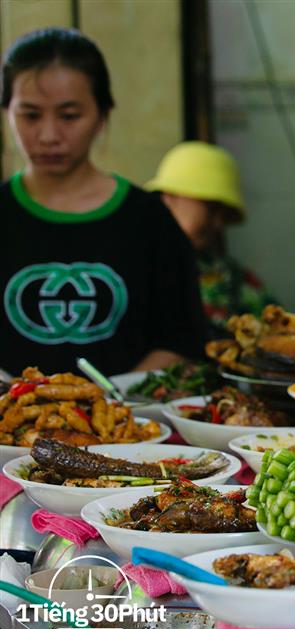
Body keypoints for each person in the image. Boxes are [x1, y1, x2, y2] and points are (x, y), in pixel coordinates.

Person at [0, 28, 205, 375]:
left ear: (102, 115)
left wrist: (113, 403)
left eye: (69, 116)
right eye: (30, 115)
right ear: (7, 112)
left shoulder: (148, 220)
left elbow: (180, 340)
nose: (49, 135)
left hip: (130, 425)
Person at [146, 141, 277, 338]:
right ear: (170, 198)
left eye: (223, 214)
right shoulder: (133, 269)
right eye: (211, 209)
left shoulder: (234, 280)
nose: (217, 223)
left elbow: (279, 337)